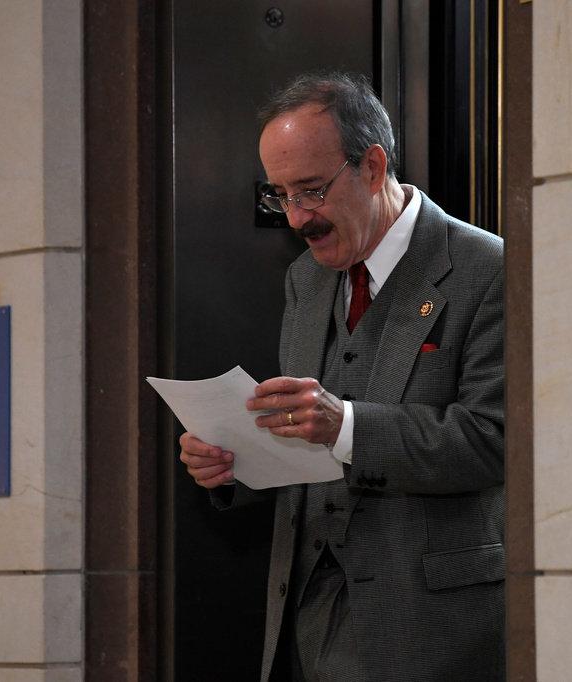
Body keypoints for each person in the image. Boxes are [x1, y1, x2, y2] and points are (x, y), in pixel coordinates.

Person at [179, 72, 505, 682]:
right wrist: (232, 462)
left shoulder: (487, 270)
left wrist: (348, 425)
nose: (298, 218)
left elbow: (495, 440)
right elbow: (305, 438)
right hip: (308, 626)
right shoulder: (305, 279)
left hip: (436, 635)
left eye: (311, 190)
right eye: (279, 196)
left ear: (374, 167)